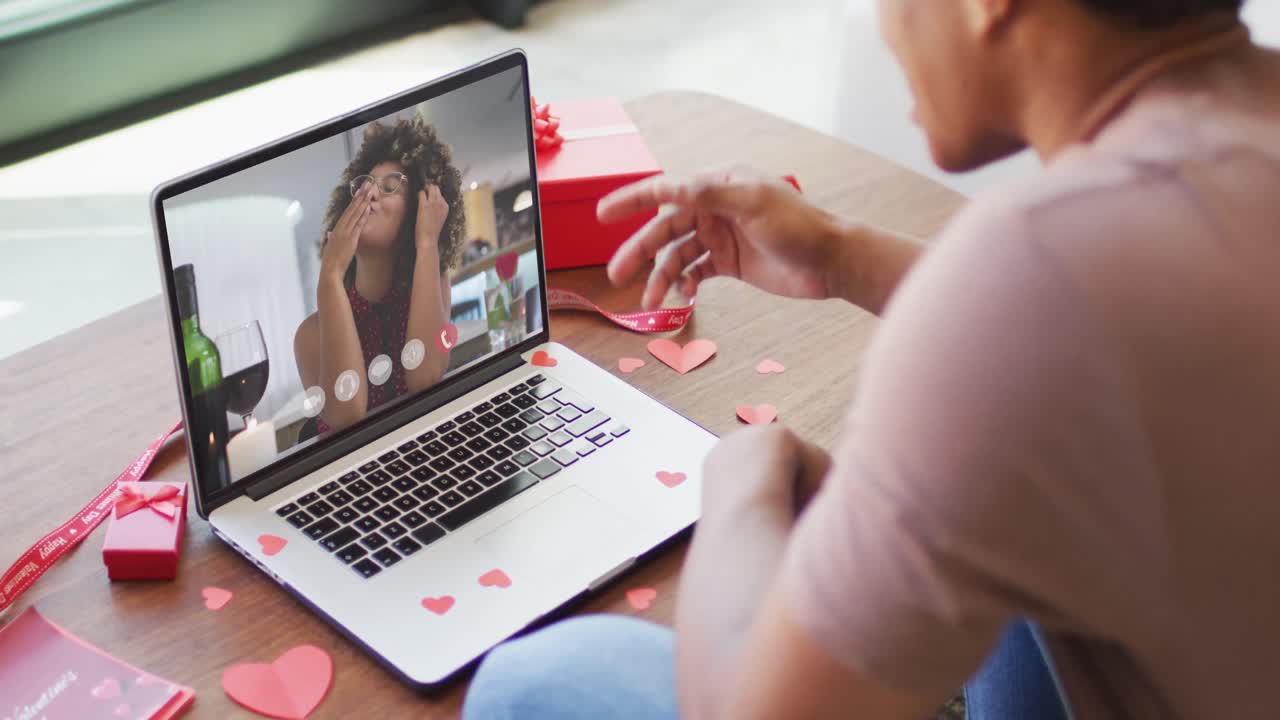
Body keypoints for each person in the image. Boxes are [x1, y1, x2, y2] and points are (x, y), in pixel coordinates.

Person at [462, 0, 1280, 718]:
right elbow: (1107, 327)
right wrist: (842, 255)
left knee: (533, 681)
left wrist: (745, 470)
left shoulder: (1032, 279)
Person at [294, 114, 465, 434]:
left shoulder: (433, 284)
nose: (369, 195)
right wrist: (330, 274)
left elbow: (425, 377)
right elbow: (348, 418)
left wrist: (428, 241)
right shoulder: (309, 336)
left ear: (416, 212)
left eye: (389, 188)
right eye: (363, 187)